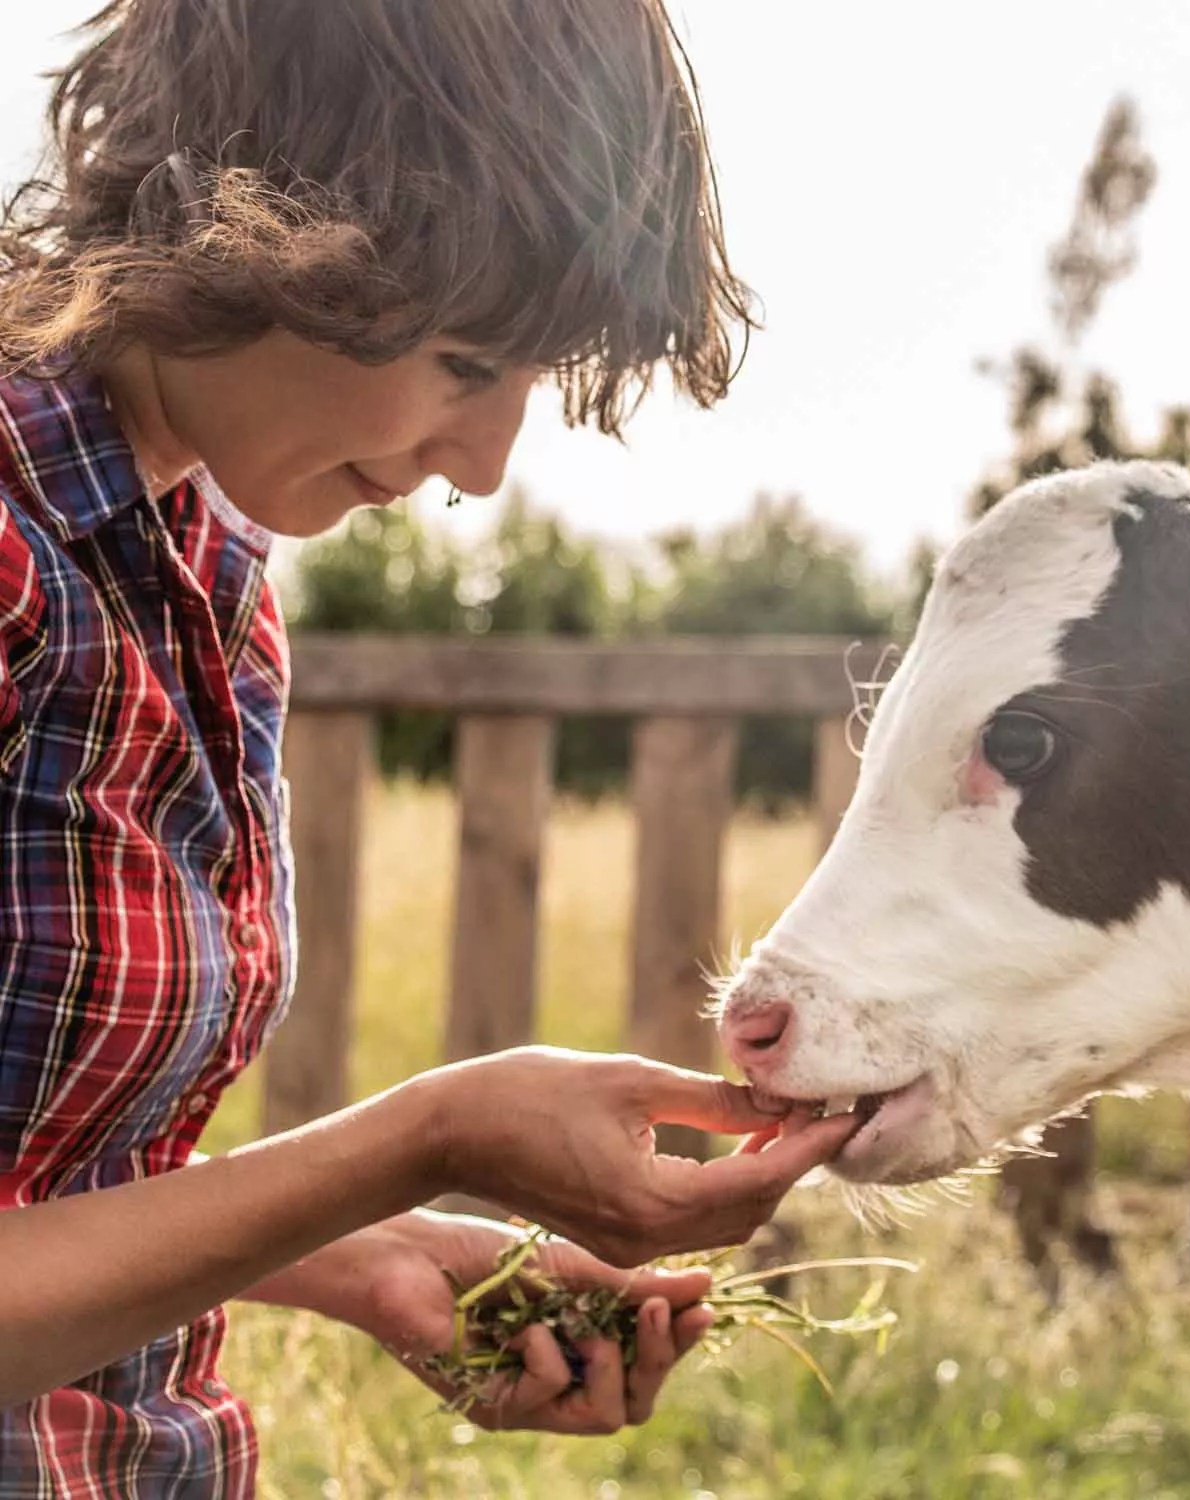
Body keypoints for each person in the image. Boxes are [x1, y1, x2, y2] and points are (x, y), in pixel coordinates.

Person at [0, 0, 859, 1492]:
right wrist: (425, 1138)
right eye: (469, 365)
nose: (486, 464)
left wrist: (360, 1252)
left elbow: (48, 1176)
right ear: (255, 219)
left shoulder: (204, 567)